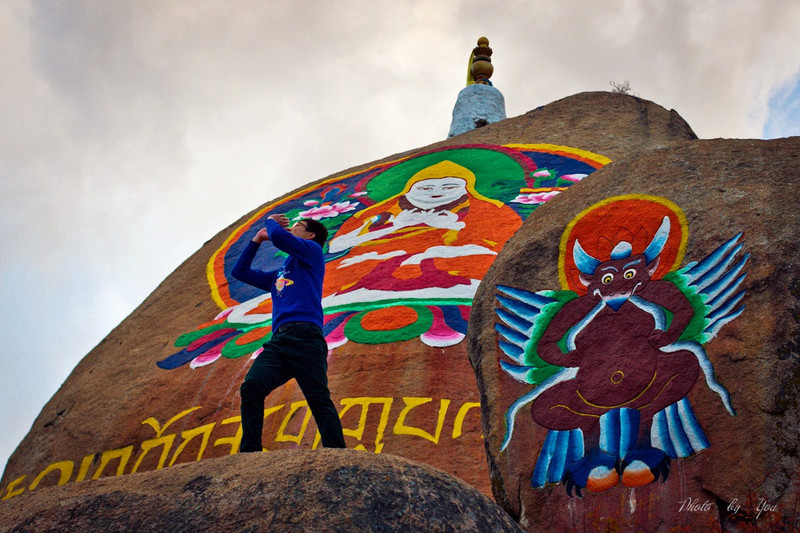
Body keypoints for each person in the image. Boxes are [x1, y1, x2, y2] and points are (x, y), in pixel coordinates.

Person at [233, 214, 346, 451]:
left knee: (317, 397)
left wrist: (270, 221)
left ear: (310, 235)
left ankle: (337, 453)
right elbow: (240, 272)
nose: (292, 229)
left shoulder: (312, 252)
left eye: (297, 226)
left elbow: (279, 237)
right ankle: (250, 451)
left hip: (306, 336)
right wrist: (255, 240)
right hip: (280, 341)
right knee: (252, 386)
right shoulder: (280, 274)